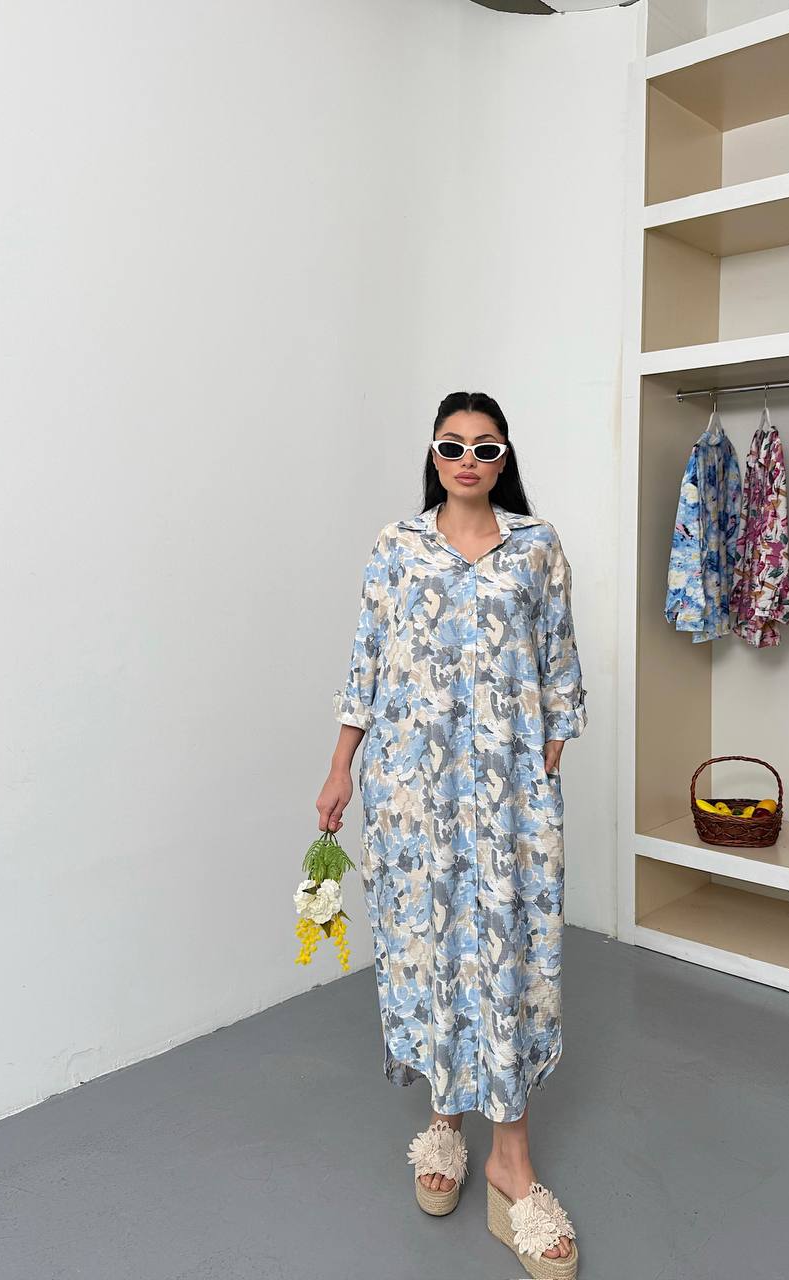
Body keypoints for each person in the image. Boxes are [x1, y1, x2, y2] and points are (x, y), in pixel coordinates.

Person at [317, 391, 588, 1276]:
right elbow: (367, 659)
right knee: (430, 944)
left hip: (508, 796)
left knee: (509, 951)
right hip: (413, 792)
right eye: (452, 444)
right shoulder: (397, 548)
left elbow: (559, 660)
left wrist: (546, 751)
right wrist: (341, 766)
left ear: (505, 458)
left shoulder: (536, 547)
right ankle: (443, 1119)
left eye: (485, 446)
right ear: (433, 456)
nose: (468, 458)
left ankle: (512, 1160)